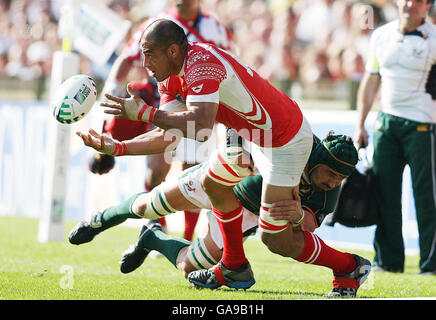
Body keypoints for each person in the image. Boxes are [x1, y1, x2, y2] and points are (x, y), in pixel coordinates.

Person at [77, 19, 314, 290]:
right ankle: (233, 264)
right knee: (194, 217)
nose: (144, 63)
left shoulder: (200, 64)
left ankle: (350, 269)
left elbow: (200, 128)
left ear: (173, 52)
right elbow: (167, 137)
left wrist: (145, 113)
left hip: (283, 141)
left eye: (149, 53)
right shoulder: (170, 78)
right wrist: (118, 147)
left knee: (276, 239)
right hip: (249, 141)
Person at [69, 131, 370, 297]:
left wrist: (295, 217)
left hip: (248, 214)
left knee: (189, 267)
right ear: (317, 159)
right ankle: (100, 219)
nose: (332, 182)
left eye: (339, 179)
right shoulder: (293, 143)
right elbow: (243, 124)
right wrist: (236, 150)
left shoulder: (331, 190)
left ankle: (152, 238)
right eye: (329, 174)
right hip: (224, 180)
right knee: (147, 205)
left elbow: (308, 226)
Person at [92, 0, 234, 241]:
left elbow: (229, 59)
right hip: (164, 99)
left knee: (192, 172)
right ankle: (156, 228)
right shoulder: (155, 25)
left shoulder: (215, 27)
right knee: (155, 172)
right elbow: (127, 57)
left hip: (200, 102)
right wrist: (113, 87)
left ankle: (187, 238)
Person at [354, 0, 436, 274]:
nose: (409, 4)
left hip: (423, 125)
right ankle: (387, 262)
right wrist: (360, 124)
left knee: (427, 196)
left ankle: (431, 263)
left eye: (418, 1)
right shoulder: (381, 34)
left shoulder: (434, 39)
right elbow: (370, 79)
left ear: (427, 7)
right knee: (384, 193)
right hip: (386, 123)